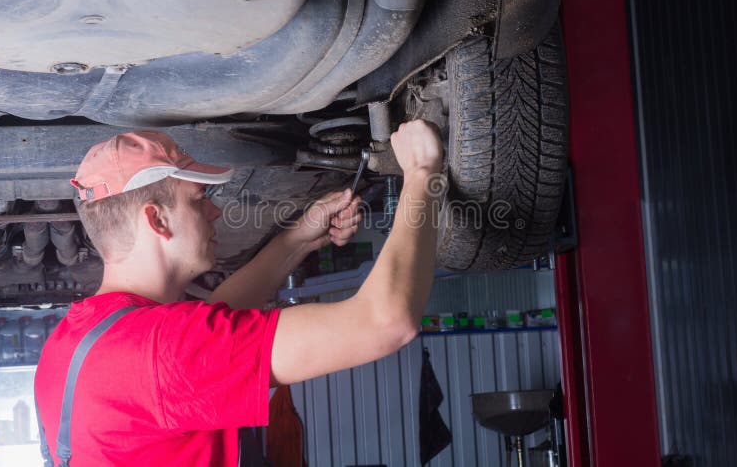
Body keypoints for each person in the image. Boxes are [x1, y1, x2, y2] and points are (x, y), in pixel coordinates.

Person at [34, 120, 443, 466]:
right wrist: (422, 173)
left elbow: (212, 325)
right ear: (156, 220)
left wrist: (298, 239)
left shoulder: (73, 343)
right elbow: (385, 321)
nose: (214, 211)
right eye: (199, 199)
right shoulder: (164, 351)